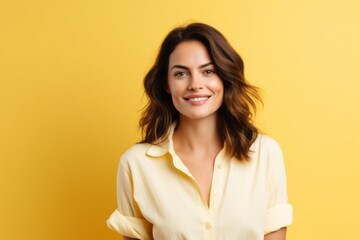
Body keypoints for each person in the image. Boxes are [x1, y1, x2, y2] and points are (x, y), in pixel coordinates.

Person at [107, 22, 293, 240]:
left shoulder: (265, 154)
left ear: (224, 77)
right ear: (166, 84)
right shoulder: (136, 164)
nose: (195, 84)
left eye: (208, 71)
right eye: (181, 74)